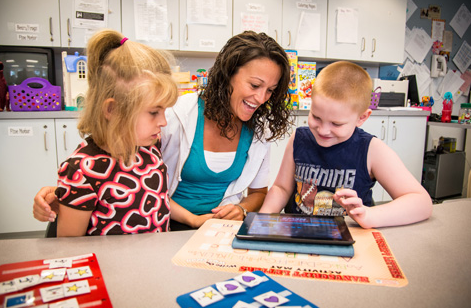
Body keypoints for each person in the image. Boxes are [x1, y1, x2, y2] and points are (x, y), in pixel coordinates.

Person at [33, 31, 293, 231]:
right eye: (255, 85)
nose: (261, 98)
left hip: (205, 229)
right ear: (228, 75)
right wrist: (67, 195)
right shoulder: (172, 113)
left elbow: (258, 193)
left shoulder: (259, 130)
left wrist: (241, 211)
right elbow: (113, 157)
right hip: (167, 229)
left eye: (270, 90)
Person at [260, 61, 433, 228]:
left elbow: (421, 202)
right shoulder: (298, 138)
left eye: (336, 124)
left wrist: (370, 215)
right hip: (298, 233)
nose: (323, 130)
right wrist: (261, 221)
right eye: (316, 117)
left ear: (362, 118)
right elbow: (281, 188)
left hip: (349, 238)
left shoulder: (371, 150)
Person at [51, 29, 178, 236]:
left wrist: (192, 219)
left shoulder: (150, 149)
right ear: (112, 109)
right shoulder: (81, 170)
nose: (163, 122)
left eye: (164, 111)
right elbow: (68, 247)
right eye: (154, 112)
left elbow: (156, 199)